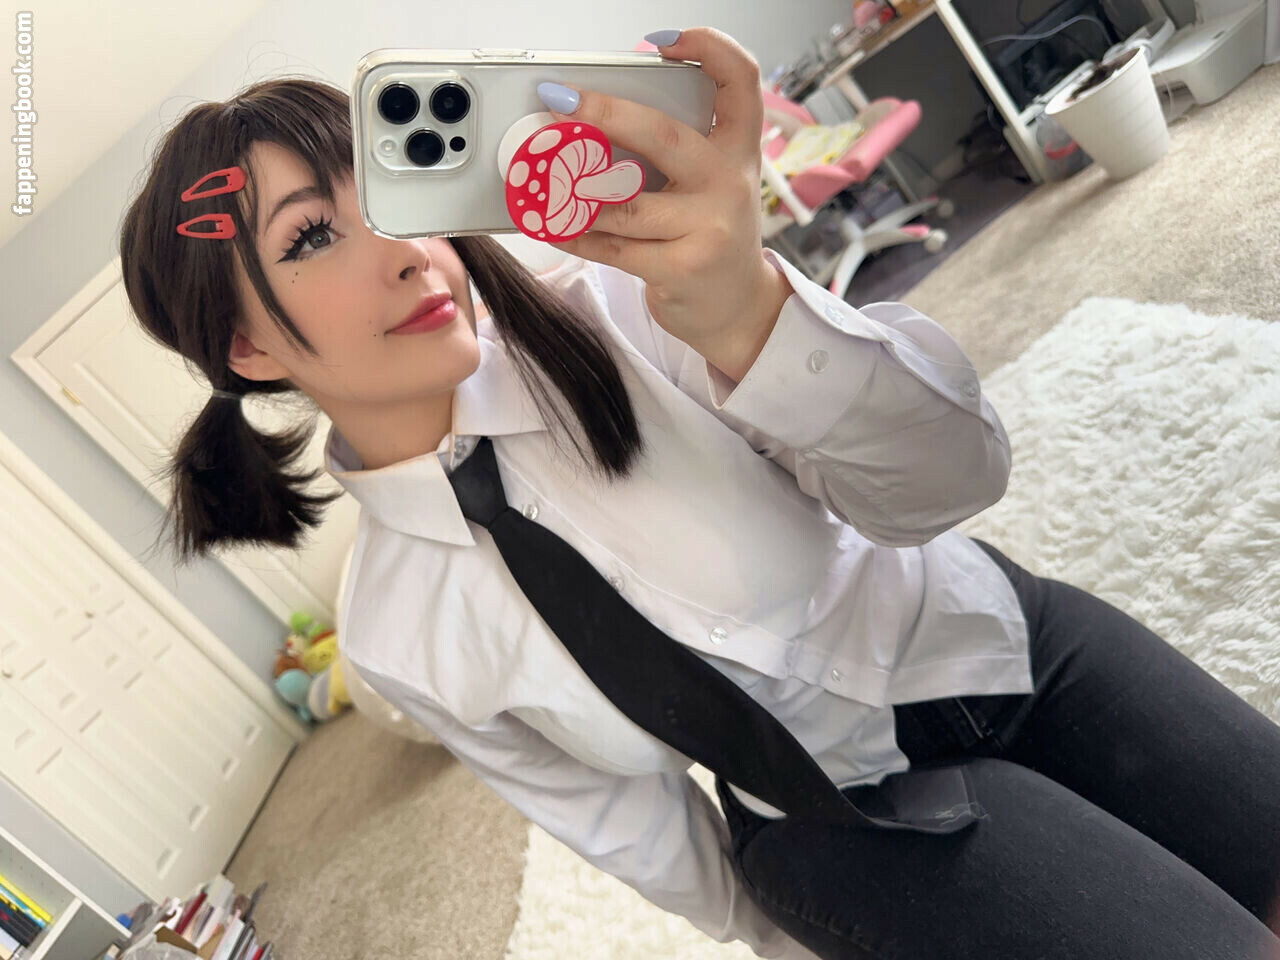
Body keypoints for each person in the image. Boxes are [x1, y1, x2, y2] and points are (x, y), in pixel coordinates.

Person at [118, 25, 1280, 960]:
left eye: (393, 195)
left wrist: (750, 314)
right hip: (835, 825)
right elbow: (635, 829)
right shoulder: (399, 631)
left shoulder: (623, 310)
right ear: (246, 348)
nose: (404, 249)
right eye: (311, 236)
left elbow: (958, 475)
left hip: (989, 637)